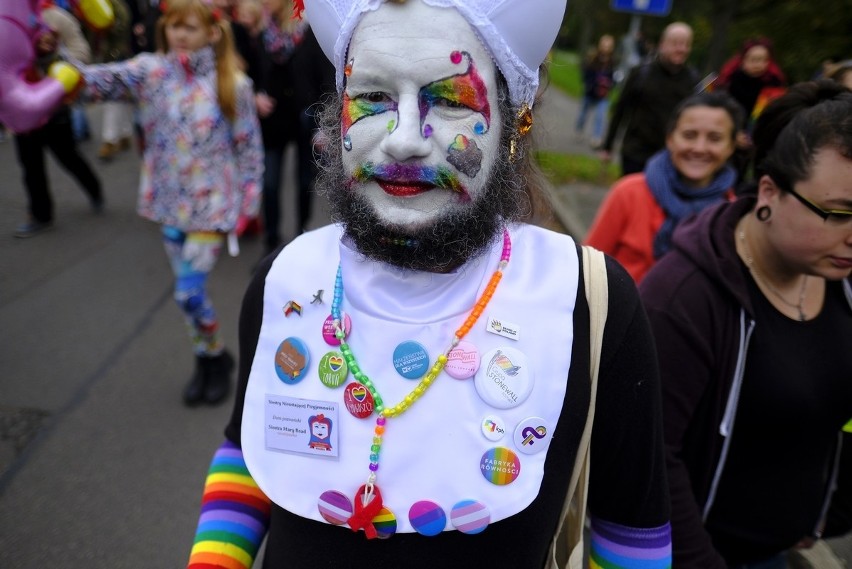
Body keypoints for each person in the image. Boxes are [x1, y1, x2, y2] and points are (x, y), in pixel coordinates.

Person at [185, 1, 673, 568]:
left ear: (515, 120)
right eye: (371, 99)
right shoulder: (287, 279)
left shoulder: (587, 301)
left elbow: (631, 532)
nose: (404, 140)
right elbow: (249, 452)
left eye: (448, 101)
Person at [639, 80, 852, 568]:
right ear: (770, 192)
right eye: (838, 214)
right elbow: (650, 460)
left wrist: (830, 509)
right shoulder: (683, 299)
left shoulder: (841, 281)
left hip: (781, 549)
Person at [72, 0, 263, 405]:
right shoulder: (151, 71)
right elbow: (95, 82)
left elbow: (248, 148)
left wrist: (248, 205)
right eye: (174, 26)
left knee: (188, 294)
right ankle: (209, 359)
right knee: (188, 297)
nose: (179, 35)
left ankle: (214, 355)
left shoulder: (233, 83)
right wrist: (49, 62)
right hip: (167, 205)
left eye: (189, 28)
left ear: (212, 33)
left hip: (212, 206)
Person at [585, 92, 742, 283]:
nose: (700, 148)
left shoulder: (732, 217)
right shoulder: (629, 193)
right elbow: (587, 269)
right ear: (670, 139)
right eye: (689, 135)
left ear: (731, 146)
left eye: (715, 138)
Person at [12, 7, 104, 238]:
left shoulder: (54, 16)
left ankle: (94, 189)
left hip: (52, 106)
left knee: (68, 156)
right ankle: (41, 215)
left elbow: (81, 52)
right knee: (31, 166)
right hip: (20, 108)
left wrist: (52, 57)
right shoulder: (8, 21)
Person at [254, 0, 335, 255]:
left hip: (305, 118)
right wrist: (254, 95)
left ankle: (301, 235)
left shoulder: (309, 33)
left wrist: (325, 125)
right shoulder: (260, 32)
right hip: (272, 121)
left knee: (304, 182)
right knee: (270, 182)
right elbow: (246, 69)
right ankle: (271, 240)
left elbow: (326, 76)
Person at [600, 22, 699, 176]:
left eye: (686, 44)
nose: (681, 49)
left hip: (671, 159)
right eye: (676, 43)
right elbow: (620, 109)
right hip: (636, 154)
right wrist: (608, 146)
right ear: (663, 44)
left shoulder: (692, 80)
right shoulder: (641, 73)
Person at [715, 38, 787, 184]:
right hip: (727, 142)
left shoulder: (775, 88)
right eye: (753, 59)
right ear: (742, 60)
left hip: (759, 148)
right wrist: (734, 133)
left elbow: (778, 119)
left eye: (763, 60)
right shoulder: (728, 83)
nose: (758, 65)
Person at [87, 0, 136, 160]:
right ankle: (124, 133)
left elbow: (122, 27)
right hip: (108, 57)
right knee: (118, 98)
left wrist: (105, 24)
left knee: (112, 99)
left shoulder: (117, 5)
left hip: (117, 56)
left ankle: (110, 139)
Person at [575, 34, 616, 149]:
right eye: (604, 45)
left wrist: (608, 84)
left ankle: (596, 138)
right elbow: (585, 72)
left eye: (608, 46)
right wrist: (590, 84)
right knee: (583, 114)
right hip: (590, 92)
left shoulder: (612, 61)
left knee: (600, 115)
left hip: (603, 94)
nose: (606, 48)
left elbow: (613, 77)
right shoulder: (593, 58)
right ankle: (579, 129)